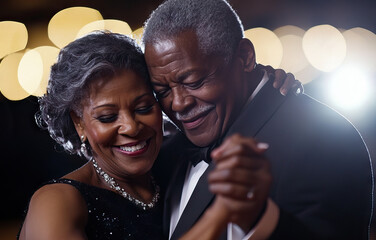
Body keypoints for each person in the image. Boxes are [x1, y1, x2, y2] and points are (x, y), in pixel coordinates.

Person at [17, 32, 298, 239]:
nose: (131, 126)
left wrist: (255, 83)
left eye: (143, 107)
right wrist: (219, 216)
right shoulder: (56, 202)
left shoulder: (172, 169)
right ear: (78, 123)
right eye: (107, 117)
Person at [142, 0, 374, 239]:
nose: (178, 103)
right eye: (162, 91)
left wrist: (260, 218)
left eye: (194, 82)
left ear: (244, 57)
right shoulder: (164, 155)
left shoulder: (325, 139)